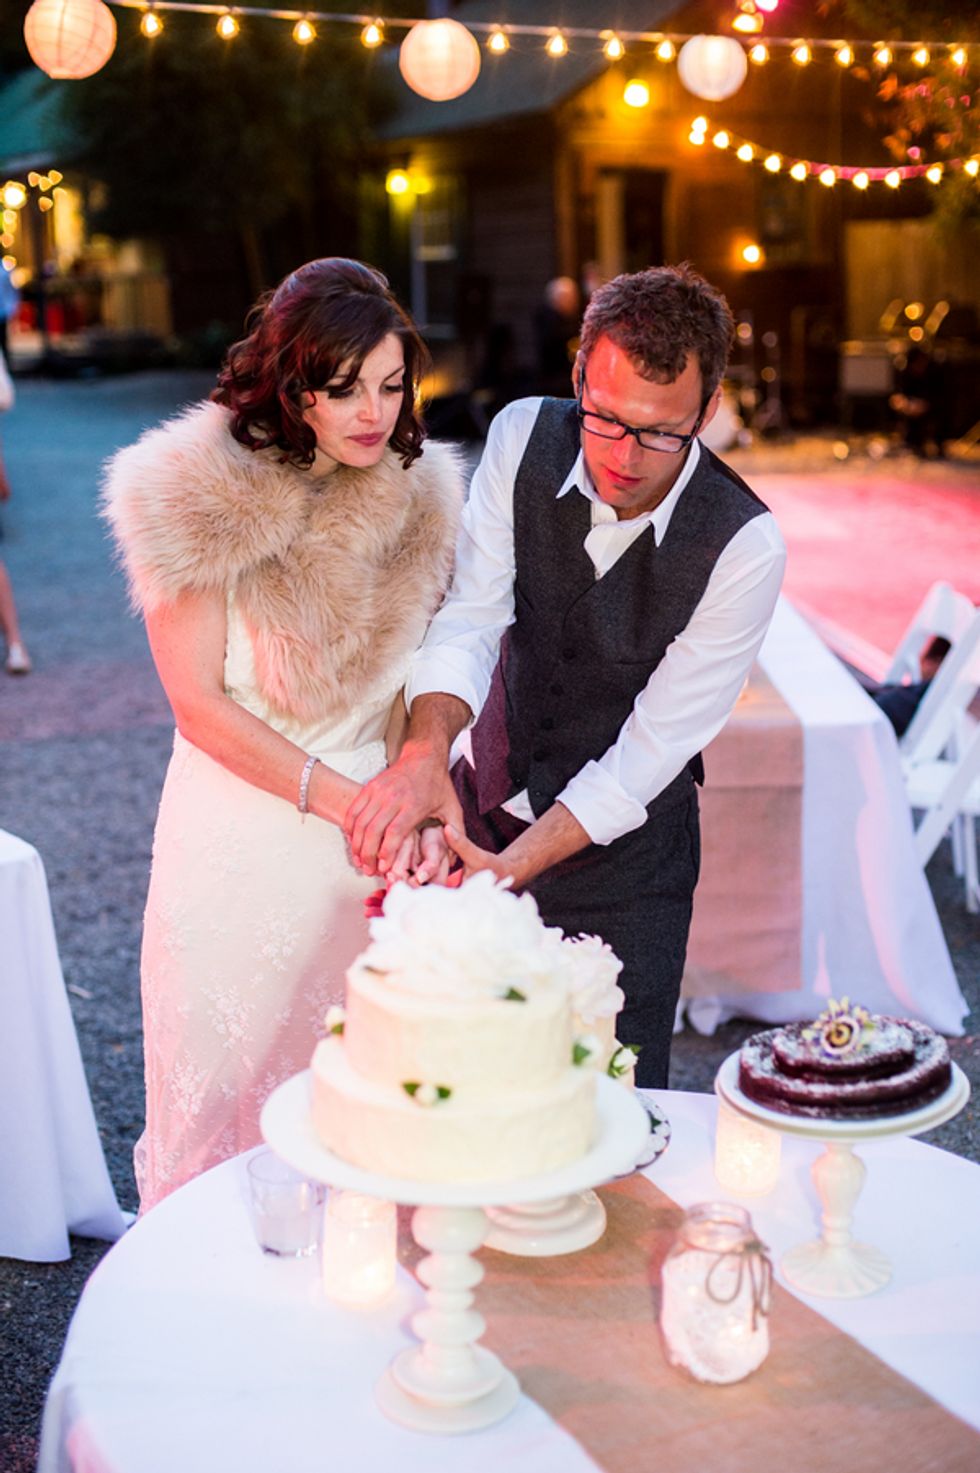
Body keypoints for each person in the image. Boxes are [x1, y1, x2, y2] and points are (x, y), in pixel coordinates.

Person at [345, 263, 786, 1088]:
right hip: (481, 812)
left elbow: (652, 749)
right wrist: (426, 754)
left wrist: (519, 865)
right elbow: (472, 616)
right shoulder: (522, 435)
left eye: (662, 432)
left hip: (628, 871)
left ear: (709, 411)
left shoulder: (745, 546)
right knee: (468, 1085)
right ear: (580, 374)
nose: (625, 455)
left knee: (614, 1101)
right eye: (606, 418)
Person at [102, 258, 462, 1209]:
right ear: (293, 383)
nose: (374, 413)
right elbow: (197, 706)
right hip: (241, 840)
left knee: (363, 1119)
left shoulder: (423, 496)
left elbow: (419, 678)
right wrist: (356, 804)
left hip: (373, 849)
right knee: (223, 1119)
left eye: (392, 385)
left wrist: (419, 794)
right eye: (344, 389)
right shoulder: (191, 492)